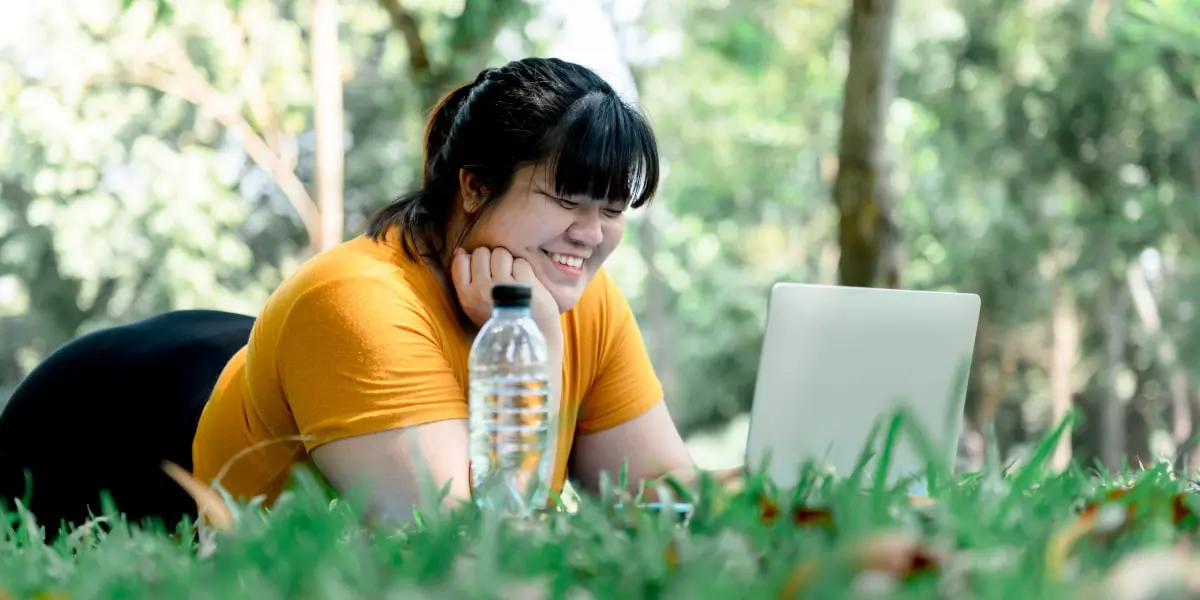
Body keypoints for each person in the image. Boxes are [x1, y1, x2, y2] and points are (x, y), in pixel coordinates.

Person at [0, 57, 715, 532]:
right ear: (472, 184)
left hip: (255, 363)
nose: (592, 234)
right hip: (106, 425)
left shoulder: (577, 293)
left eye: (614, 210)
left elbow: (668, 505)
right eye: (569, 199)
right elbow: (464, 551)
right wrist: (536, 351)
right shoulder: (355, 306)